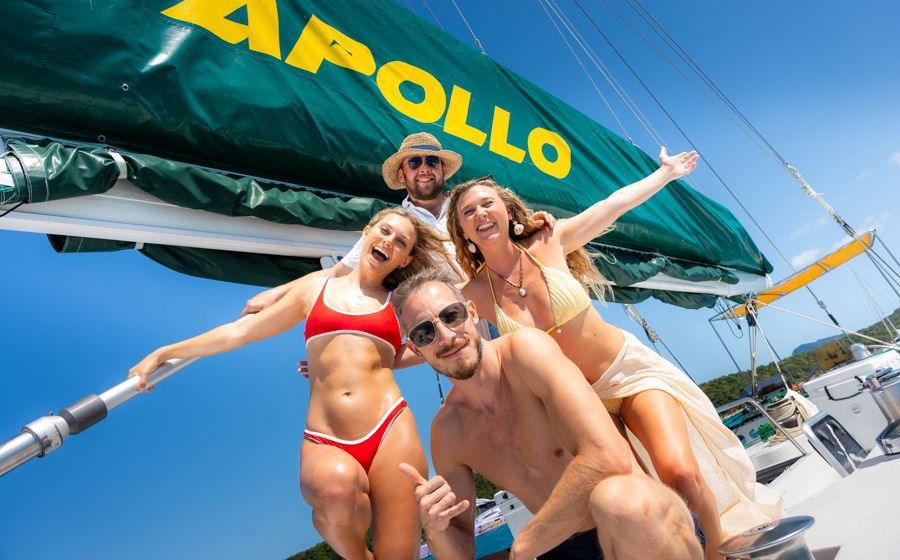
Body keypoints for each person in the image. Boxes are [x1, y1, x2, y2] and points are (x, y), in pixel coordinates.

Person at [445, 148, 783, 559]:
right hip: (580, 405)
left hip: (627, 371)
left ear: (506, 211)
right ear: (462, 232)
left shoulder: (549, 241)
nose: (480, 213)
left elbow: (612, 206)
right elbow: (426, 327)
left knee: (681, 475)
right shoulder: (473, 294)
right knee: (641, 498)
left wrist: (665, 173)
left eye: (487, 203)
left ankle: (717, 554)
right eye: (467, 212)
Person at [128, 208, 448, 560]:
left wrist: (374, 359)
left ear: (405, 260)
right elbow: (239, 332)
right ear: (368, 231)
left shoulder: (400, 303)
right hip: (328, 437)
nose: (388, 241)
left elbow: (428, 344)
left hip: (391, 429)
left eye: (400, 242)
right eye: (384, 231)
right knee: (334, 490)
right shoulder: (315, 288)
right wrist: (162, 353)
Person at [393, 268, 703, 559]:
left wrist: (525, 545)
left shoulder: (526, 353)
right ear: (417, 351)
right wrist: (435, 530)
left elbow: (610, 457)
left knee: (622, 502)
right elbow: (459, 551)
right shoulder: (448, 431)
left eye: (452, 316)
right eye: (424, 334)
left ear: (472, 313)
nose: (445, 337)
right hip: (559, 547)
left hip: (641, 527)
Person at [241, 132, 553, 316]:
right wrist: (275, 296)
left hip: (515, 300)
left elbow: (515, 226)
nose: (424, 169)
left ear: (443, 170)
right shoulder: (396, 227)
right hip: (460, 319)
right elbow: (338, 273)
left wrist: (537, 225)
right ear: (402, 174)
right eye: (414, 162)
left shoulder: (468, 204)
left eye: (432, 161)